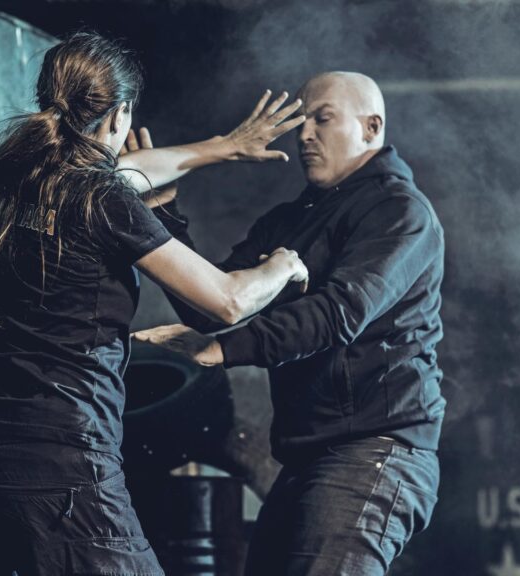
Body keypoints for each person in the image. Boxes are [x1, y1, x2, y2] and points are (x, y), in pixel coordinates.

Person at [0, 31, 309, 576]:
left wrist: (223, 146)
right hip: (64, 463)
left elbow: (139, 170)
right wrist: (282, 266)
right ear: (120, 117)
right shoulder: (103, 198)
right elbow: (226, 303)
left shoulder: (26, 176)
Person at [134, 71, 445, 575]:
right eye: (301, 122)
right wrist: (163, 214)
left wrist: (218, 351)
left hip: (374, 453)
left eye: (322, 119)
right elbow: (210, 303)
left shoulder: (399, 211)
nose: (304, 134)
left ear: (371, 127)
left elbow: (339, 312)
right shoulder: (290, 221)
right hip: (308, 461)